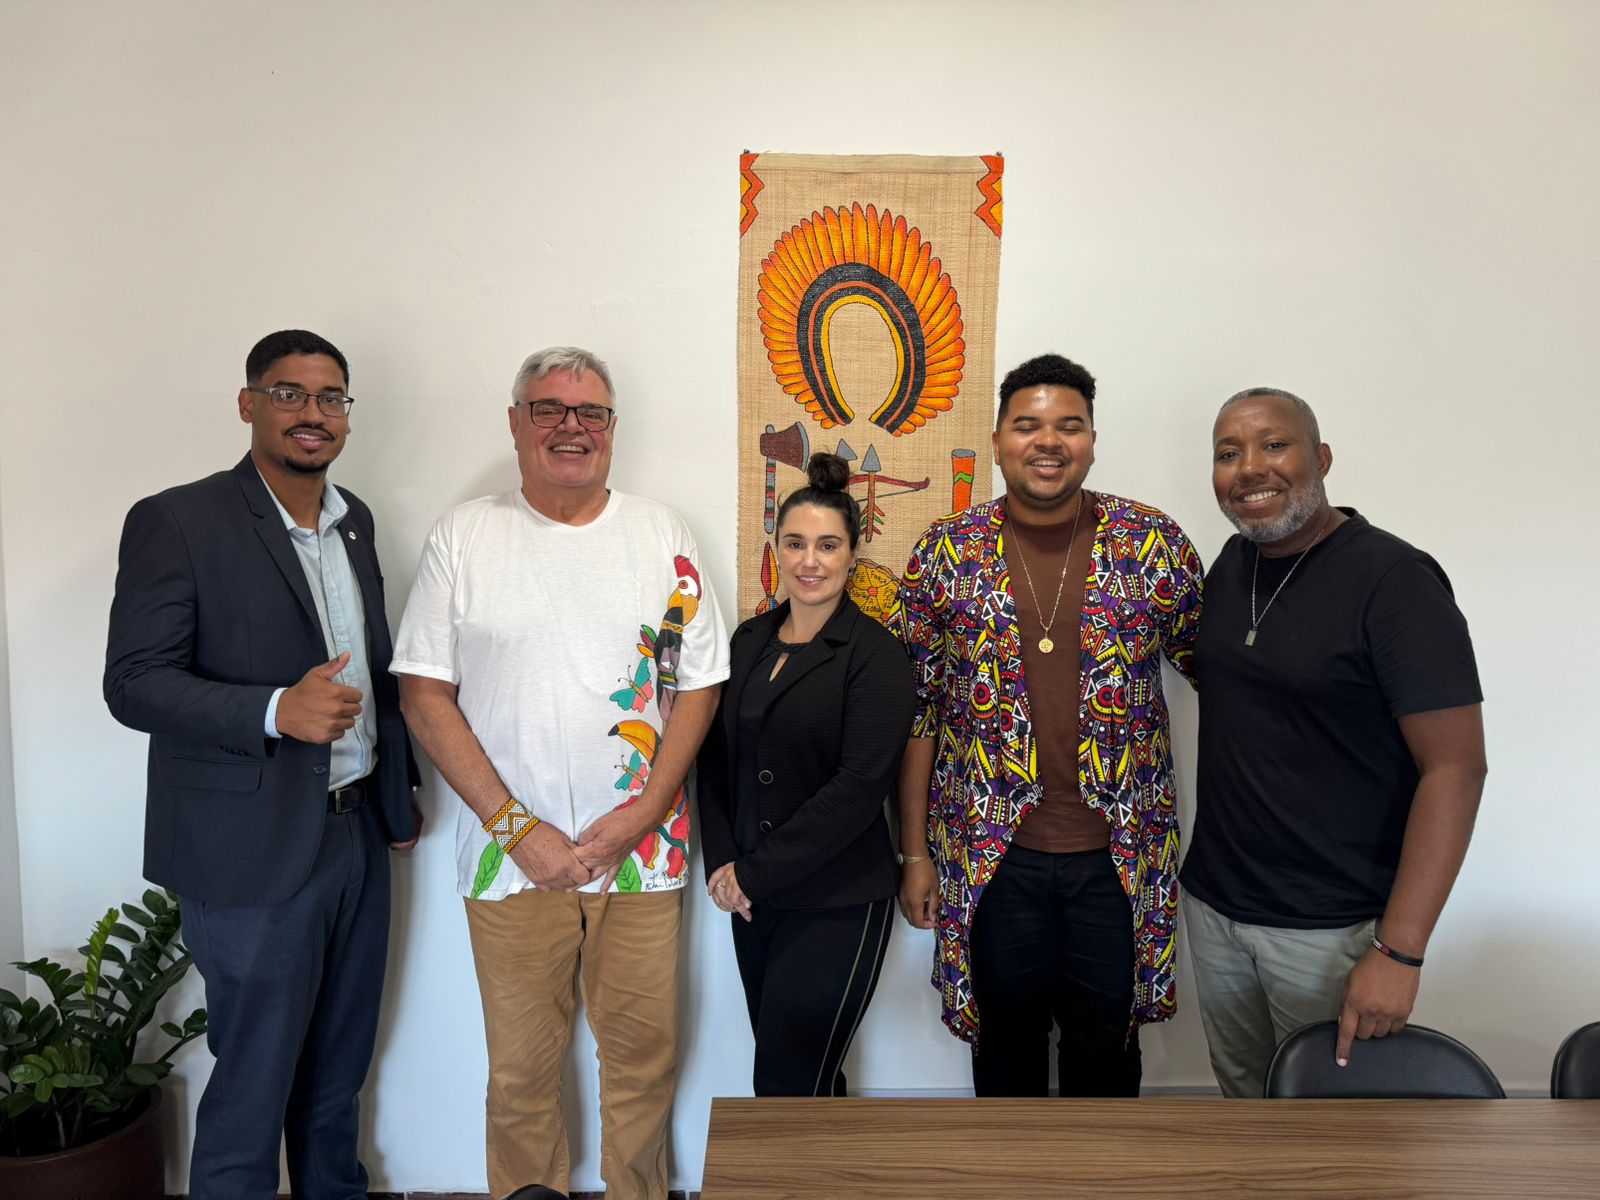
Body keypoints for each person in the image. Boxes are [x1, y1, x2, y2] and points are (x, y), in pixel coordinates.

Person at [391, 346, 728, 1200]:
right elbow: (423, 695)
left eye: (591, 413)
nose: (571, 427)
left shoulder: (662, 534)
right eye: (548, 409)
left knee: (643, 1062)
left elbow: (700, 685)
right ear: (516, 424)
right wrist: (518, 830)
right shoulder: (465, 535)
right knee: (520, 1073)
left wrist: (645, 812)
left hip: (644, 855)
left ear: (613, 428)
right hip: (509, 857)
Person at [104, 329, 420, 1200]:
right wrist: (276, 709)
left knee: (337, 1075)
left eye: (330, 398)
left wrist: (397, 797)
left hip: (356, 834)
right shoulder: (178, 520)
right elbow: (133, 684)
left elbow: (376, 667)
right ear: (248, 403)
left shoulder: (354, 521)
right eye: (289, 394)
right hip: (249, 849)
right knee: (253, 1087)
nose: (312, 413)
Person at [896, 353, 1205, 1097]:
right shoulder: (946, 553)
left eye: (1069, 425)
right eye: (1027, 424)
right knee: (1005, 1052)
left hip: (1117, 857)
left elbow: (1223, 676)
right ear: (998, 440)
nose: (1048, 441)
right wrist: (914, 854)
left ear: (1092, 440)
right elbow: (919, 713)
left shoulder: (1151, 544)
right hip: (991, 856)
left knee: (1108, 1053)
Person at [1183, 387, 1487, 1097]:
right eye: (1228, 454)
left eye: (1274, 445)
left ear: (1320, 458)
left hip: (1330, 929)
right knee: (1244, 1103)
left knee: (1334, 1128)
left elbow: (1456, 767)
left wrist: (1400, 952)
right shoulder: (1232, 564)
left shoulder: (1394, 581)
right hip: (1217, 908)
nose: (1249, 468)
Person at [697, 453, 917, 1097]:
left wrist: (752, 873)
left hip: (837, 901)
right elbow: (716, 759)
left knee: (788, 1084)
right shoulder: (748, 641)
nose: (809, 561)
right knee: (796, 1081)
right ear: (776, 549)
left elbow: (857, 791)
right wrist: (725, 864)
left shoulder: (876, 656)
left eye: (827, 545)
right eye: (795, 543)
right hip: (751, 899)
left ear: (853, 553)